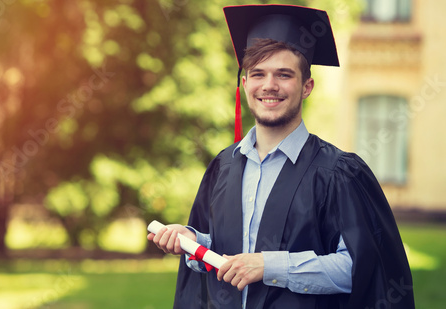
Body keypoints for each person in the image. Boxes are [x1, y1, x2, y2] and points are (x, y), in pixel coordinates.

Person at [148, 4, 414, 309]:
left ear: (306, 87)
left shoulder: (338, 172)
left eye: (284, 75)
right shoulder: (223, 167)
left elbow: (362, 269)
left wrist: (271, 266)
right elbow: (227, 260)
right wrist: (193, 242)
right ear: (246, 85)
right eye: (258, 74)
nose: (269, 86)